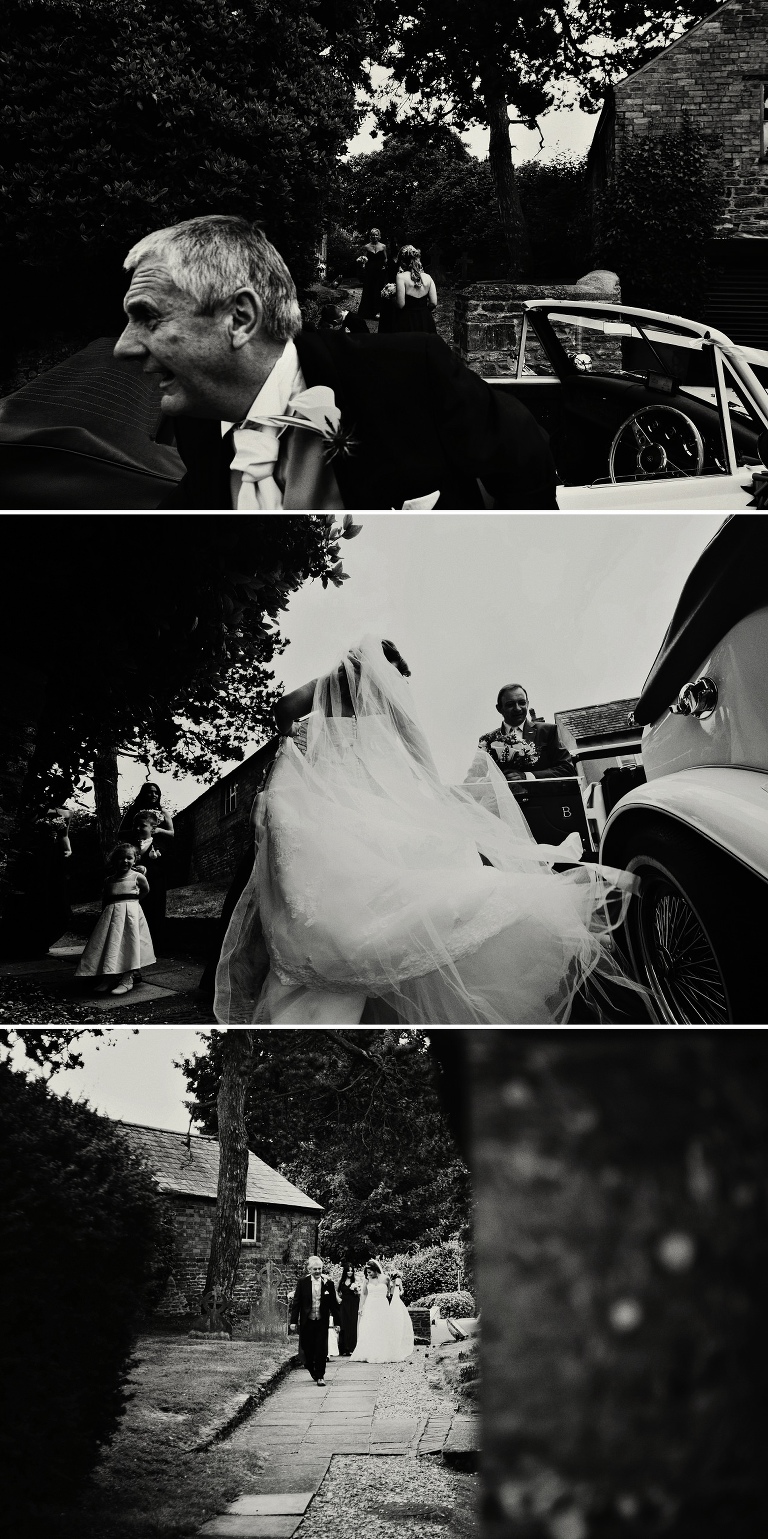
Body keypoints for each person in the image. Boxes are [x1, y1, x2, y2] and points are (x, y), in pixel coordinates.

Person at [213, 635, 642, 1026]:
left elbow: (283, 712)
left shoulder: (327, 688)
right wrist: (434, 799)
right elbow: (418, 752)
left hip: (327, 794)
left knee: (333, 885)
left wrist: (299, 745)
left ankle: (341, 974)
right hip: (372, 792)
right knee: (399, 883)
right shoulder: (391, 695)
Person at [113, 215, 558, 510]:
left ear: (240, 318)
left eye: (148, 317)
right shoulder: (197, 419)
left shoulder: (411, 371)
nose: (123, 347)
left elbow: (526, 454)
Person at [75, 842, 155, 994]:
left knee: (130, 944)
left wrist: (133, 904)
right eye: (120, 858)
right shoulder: (109, 880)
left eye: (129, 858)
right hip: (112, 916)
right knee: (110, 945)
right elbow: (106, 898)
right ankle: (110, 976)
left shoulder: (137, 877)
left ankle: (128, 978)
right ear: (114, 860)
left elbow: (145, 891)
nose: (125, 861)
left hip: (131, 914)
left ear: (135, 859)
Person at [478, 684, 575, 783]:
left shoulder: (548, 731)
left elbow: (567, 769)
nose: (518, 708)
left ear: (527, 703)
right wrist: (495, 781)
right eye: (510, 704)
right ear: (499, 708)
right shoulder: (488, 740)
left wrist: (527, 776)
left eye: (522, 703)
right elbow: (473, 779)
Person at [119, 783, 174, 935]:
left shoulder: (163, 812)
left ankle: (154, 938)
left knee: (156, 899)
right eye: (149, 792)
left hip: (157, 853)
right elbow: (120, 832)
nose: (153, 795)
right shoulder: (134, 811)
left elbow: (172, 834)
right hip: (137, 854)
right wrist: (140, 831)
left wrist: (158, 830)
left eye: (156, 792)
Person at [289, 1255, 340, 1386]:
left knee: (321, 1349)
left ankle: (321, 1375)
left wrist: (337, 1323)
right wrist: (293, 1321)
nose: (317, 1271)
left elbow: (334, 1305)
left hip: (322, 1321)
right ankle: (312, 1369)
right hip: (307, 1321)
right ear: (309, 1269)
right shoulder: (302, 1282)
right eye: (315, 1269)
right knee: (307, 1349)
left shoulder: (328, 1283)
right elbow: (297, 1303)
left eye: (320, 1269)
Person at [351, 1260, 411, 1363]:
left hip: (382, 1305)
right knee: (370, 1327)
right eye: (367, 1272)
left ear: (375, 1270)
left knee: (383, 1327)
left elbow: (388, 1293)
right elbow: (364, 1294)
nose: (368, 1274)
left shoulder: (386, 1279)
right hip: (370, 1305)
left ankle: (384, 1352)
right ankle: (369, 1352)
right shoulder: (367, 1280)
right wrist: (361, 1307)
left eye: (370, 1272)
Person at [393, 246, 438, 334]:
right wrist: (424, 311)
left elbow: (401, 305)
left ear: (402, 262)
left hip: (407, 321)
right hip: (425, 320)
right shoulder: (428, 277)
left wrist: (391, 298)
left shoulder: (400, 277)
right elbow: (433, 302)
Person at [357, 228, 388, 322]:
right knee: (368, 289)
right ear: (370, 236)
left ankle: (378, 312)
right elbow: (364, 258)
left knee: (378, 290)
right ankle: (367, 312)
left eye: (376, 235)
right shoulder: (366, 247)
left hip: (379, 272)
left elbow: (385, 259)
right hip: (369, 271)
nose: (374, 237)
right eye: (373, 235)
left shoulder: (383, 246)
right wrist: (362, 263)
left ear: (379, 236)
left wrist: (385, 266)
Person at [388, 1270, 415, 1360]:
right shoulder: (390, 1281)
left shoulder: (398, 1280)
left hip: (396, 1297)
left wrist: (400, 1292)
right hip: (390, 1297)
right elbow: (388, 1290)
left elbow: (401, 1289)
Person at [338, 1263, 361, 1356]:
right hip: (344, 1304)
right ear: (345, 1271)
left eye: (351, 1271)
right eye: (348, 1270)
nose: (350, 1272)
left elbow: (360, 1293)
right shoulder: (342, 1281)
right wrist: (338, 1299)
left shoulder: (355, 1281)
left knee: (352, 1324)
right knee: (344, 1324)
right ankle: (343, 1348)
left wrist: (356, 1290)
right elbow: (336, 1291)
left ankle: (352, 1348)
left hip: (353, 1304)